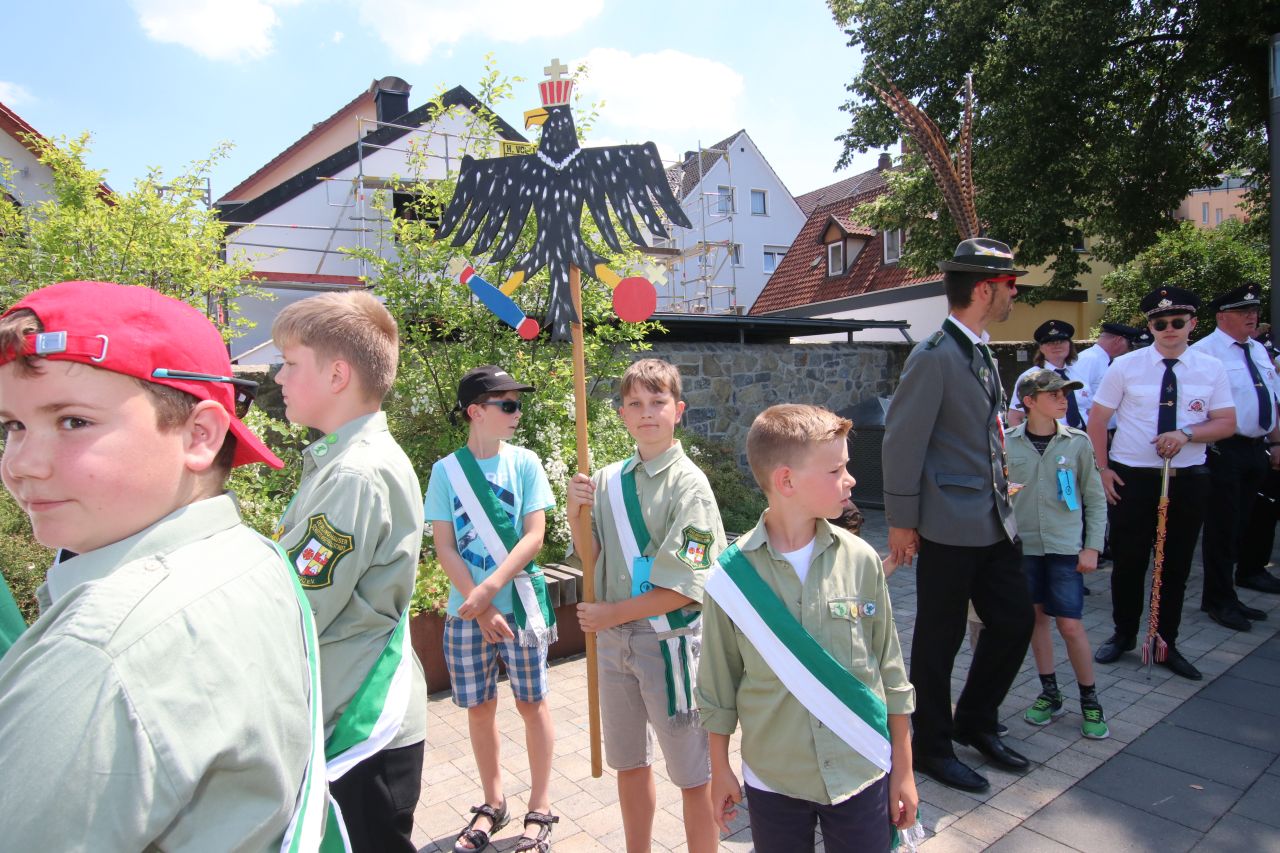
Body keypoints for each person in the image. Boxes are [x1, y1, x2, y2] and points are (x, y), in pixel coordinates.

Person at [0, 281, 322, 850]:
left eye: (73, 421)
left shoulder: (97, 654)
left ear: (199, 435)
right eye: (12, 426)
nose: (22, 464)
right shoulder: (250, 554)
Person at [698, 404, 917, 853]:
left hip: (861, 767)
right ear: (786, 481)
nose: (850, 479)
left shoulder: (860, 561)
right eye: (836, 469)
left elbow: (891, 673)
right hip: (775, 778)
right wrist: (719, 768)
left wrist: (905, 770)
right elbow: (717, 688)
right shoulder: (730, 579)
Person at [272, 291, 429, 851]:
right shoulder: (349, 462)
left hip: (358, 722)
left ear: (338, 374)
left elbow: (295, 609)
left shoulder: (354, 474)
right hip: (359, 708)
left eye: (291, 363)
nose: (279, 376)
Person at [882, 237, 1035, 793]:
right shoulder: (935, 356)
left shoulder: (978, 348)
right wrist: (902, 522)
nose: (1015, 292)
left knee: (1015, 619)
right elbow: (902, 444)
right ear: (984, 289)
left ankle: (974, 718)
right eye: (1010, 285)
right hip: (947, 521)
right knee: (939, 639)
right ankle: (930, 746)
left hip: (993, 516)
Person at [565, 358, 722, 853]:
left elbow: (686, 588)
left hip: (669, 645)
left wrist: (609, 615)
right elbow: (591, 559)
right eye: (635, 403)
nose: (647, 412)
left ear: (679, 410)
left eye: (658, 402)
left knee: (692, 773)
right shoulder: (609, 479)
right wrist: (574, 515)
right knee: (628, 763)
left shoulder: (690, 486)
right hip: (614, 647)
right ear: (621, 414)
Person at [425, 364, 558, 853]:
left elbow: (535, 535)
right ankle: (492, 802)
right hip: (469, 615)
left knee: (532, 703)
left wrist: (491, 590)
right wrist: (478, 606)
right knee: (479, 709)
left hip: (519, 606)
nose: (516, 412)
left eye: (517, 403)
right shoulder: (446, 471)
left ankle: (540, 807)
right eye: (507, 404)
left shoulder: (525, 463)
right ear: (476, 412)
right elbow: (444, 545)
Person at [1087, 286, 1236, 680]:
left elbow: (1226, 423)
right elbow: (1098, 420)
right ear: (1150, 326)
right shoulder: (1125, 366)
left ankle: (1164, 641)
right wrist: (1102, 469)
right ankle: (1123, 635)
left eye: (1176, 322)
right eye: (1159, 323)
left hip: (1185, 478)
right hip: (1132, 476)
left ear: (1192, 324)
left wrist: (1187, 433)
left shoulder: (1210, 368)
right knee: (1130, 561)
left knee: (1175, 565)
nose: (1168, 329)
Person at [1006, 370, 1109, 739]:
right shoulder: (1007, 443)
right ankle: (1050, 692)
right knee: (1037, 621)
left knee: (1070, 624)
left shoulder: (1077, 442)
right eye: (1054, 394)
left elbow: (1095, 498)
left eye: (1066, 394)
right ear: (1029, 401)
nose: (1063, 399)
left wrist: (1092, 546)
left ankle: (1090, 700)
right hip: (1025, 549)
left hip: (1065, 550)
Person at [1190, 283, 1280, 628]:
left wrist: (1275, 442)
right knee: (1222, 528)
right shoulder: (1204, 352)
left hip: (1256, 448)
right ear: (1222, 317)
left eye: (1255, 311)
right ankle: (1217, 599)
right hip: (1223, 449)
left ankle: (1235, 589)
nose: (1253, 317)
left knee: (1245, 524)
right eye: (1245, 312)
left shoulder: (1257, 350)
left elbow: (1269, 399)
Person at [1008, 320, 1093, 428]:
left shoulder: (1079, 372)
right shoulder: (1030, 377)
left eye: (1061, 341)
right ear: (1041, 348)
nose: (1056, 346)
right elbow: (1015, 417)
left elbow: (1090, 410)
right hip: (1050, 440)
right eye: (1050, 342)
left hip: (1083, 437)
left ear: (1069, 345)